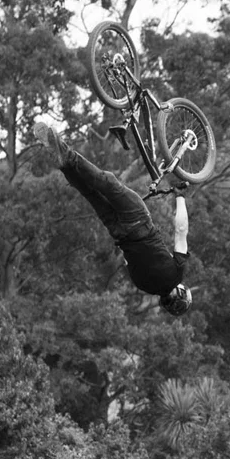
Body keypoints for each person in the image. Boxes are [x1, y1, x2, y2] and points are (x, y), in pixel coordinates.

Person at [33, 121, 192, 316]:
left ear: (180, 292)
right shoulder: (144, 286)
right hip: (118, 233)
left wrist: (180, 195)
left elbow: (181, 231)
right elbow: (127, 261)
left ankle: (68, 155)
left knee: (107, 182)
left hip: (138, 221)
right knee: (91, 194)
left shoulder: (176, 274)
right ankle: (64, 165)